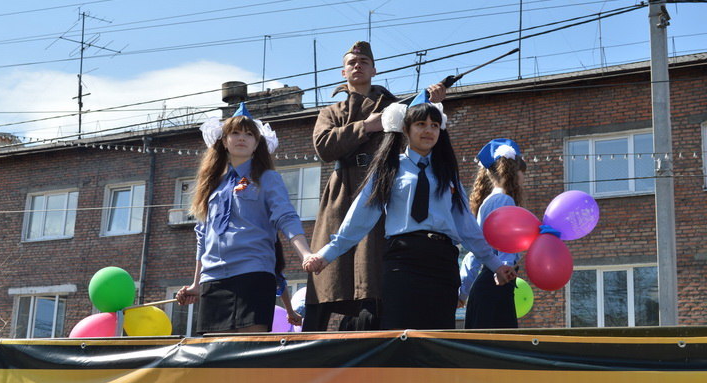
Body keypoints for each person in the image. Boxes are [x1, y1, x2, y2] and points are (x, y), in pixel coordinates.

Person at [303, 97, 516, 330]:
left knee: (437, 334)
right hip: (402, 260)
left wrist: (496, 265)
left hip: (442, 261)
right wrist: (326, 255)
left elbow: (467, 226)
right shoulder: (389, 167)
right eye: (421, 124)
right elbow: (360, 217)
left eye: (435, 125)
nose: (428, 130)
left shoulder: (447, 172)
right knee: (400, 331)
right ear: (406, 129)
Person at [304, 40, 445, 331]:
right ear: (343, 72)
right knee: (328, 272)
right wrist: (367, 126)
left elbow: (421, 130)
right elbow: (324, 147)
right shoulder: (331, 111)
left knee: (374, 269)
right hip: (342, 192)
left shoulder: (397, 106)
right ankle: (312, 339)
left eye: (364, 62)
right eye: (351, 63)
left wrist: (432, 102)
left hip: (381, 186)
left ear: (374, 70)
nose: (357, 66)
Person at [176, 104, 312, 334]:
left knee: (250, 347)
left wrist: (306, 254)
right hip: (213, 277)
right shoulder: (211, 185)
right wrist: (196, 284)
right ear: (224, 140)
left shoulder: (268, 178)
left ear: (257, 144)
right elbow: (203, 236)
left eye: (249, 134)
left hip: (253, 271)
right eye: (235, 133)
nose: (242, 138)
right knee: (216, 350)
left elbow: (286, 216)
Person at [461, 138, 527, 329]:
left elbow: (476, 252)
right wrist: (506, 266)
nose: (524, 179)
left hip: (487, 286)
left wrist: (463, 292)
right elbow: (506, 245)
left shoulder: (489, 201)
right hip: (497, 285)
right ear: (514, 172)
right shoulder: (505, 201)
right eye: (523, 173)